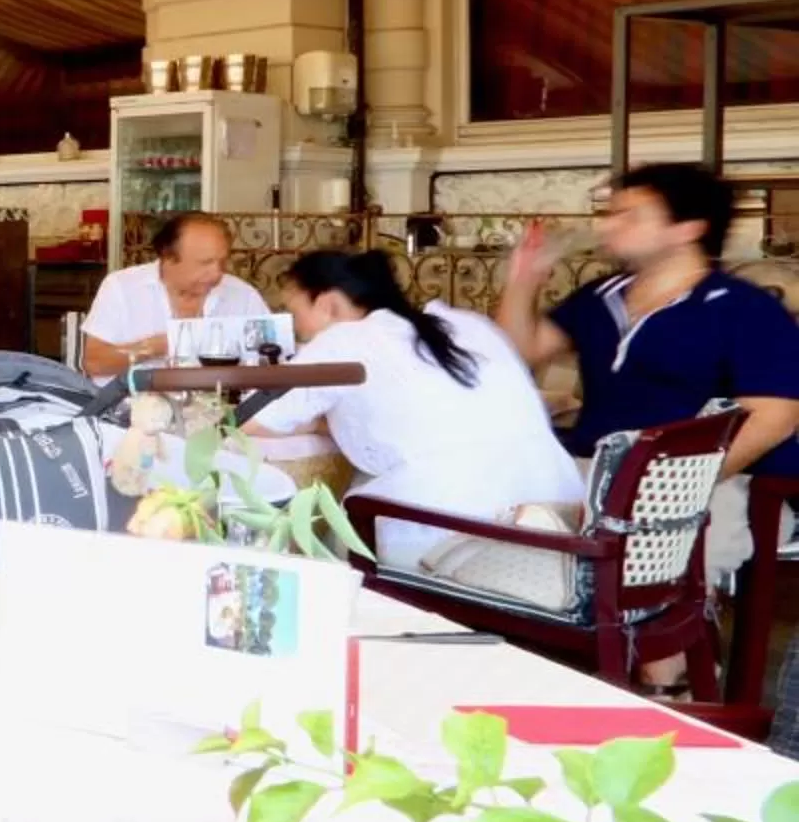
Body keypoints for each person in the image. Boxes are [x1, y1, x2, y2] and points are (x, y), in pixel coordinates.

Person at [498, 162, 799, 655]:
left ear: (688, 228)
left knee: (645, 577)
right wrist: (524, 280)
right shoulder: (602, 296)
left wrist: (676, 483)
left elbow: (774, 416)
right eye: (610, 213)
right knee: (499, 529)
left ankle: (671, 680)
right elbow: (519, 353)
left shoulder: (740, 307)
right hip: (595, 468)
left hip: (709, 481)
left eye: (630, 215)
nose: (609, 226)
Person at [247, 250, 581, 567]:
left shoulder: (345, 340)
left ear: (328, 303)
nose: (297, 329)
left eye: (296, 313)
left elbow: (253, 419)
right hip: (556, 513)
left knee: (337, 526)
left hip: (460, 531)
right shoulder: (465, 323)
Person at [80, 213, 271, 377]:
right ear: (168, 258)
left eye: (222, 262)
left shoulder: (242, 294)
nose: (216, 273)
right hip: (130, 412)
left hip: (223, 411)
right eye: (205, 263)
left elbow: (273, 363)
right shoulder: (122, 287)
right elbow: (94, 363)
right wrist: (156, 347)